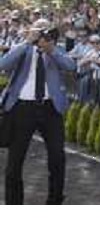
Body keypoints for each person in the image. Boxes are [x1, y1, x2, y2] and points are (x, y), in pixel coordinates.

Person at [0, 18, 76, 204]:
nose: (42, 34)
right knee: (14, 163)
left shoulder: (54, 50)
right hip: (22, 108)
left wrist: (51, 50)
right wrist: (27, 41)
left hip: (50, 109)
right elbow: (3, 64)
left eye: (45, 31)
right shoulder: (23, 47)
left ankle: (55, 200)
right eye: (39, 30)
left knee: (57, 158)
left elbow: (70, 66)